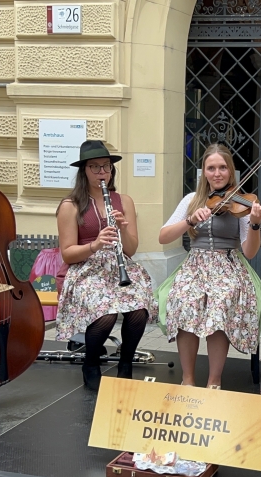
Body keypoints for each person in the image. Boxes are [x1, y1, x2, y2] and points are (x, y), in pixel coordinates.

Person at [157, 143, 261, 389]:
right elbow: (163, 237)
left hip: (228, 265)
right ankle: (188, 379)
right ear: (204, 172)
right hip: (195, 265)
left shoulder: (242, 203)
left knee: (220, 304)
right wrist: (189, 220)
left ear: (231, 171)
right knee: (184, 301)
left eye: (222, 168)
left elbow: (249, 252)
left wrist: (255, 224)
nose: (217, 174)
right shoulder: (192, 200)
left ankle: (214, 381)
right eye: (211, 168)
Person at [55, 140, 158, 390]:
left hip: (119, 266)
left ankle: (126, 363)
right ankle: (91, 363)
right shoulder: (70, 205)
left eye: (106, 166)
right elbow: (67, 254)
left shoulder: (124, 201)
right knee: (106, 313)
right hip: (85, 269)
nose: (102, 172)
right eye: (95, 167)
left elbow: (131, 249)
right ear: (84, 170)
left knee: (138, 310)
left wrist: (122, 228)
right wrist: (95, 244)